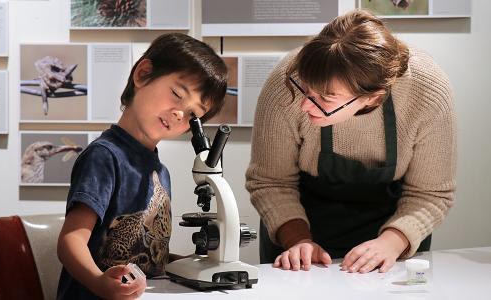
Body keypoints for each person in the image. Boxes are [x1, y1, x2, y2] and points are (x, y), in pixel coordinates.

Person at [246, 9, 456, 274]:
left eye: (326, 97)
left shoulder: (427, 90)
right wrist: (298, 240)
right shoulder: (286, 82)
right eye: (306, 89)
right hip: (301, 224)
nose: (304, 104)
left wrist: (392, 243)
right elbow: (271, 181)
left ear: (373, 98)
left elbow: (431, 193)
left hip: (394, 226)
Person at [56, 33, 227, 299]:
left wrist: (195, 267)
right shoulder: (104, 157)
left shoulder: (161, 173)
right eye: (177, 94)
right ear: (143, 74)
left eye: (193, 115)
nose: (180, 114)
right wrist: (100, 282)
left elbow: (148, 258)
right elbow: (71, 241)